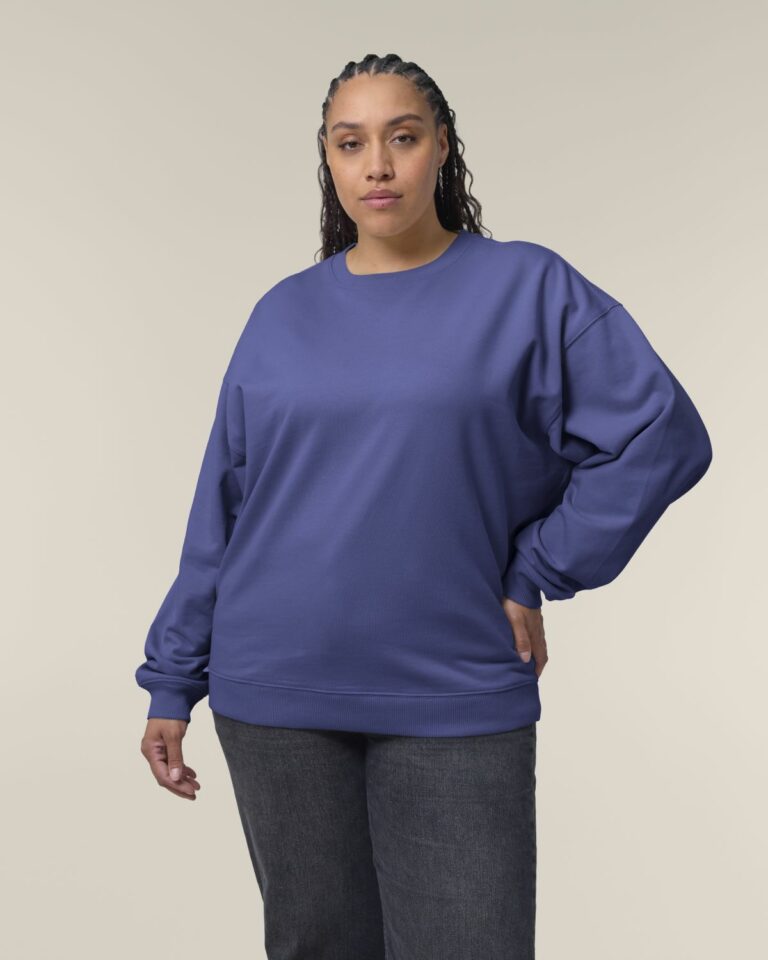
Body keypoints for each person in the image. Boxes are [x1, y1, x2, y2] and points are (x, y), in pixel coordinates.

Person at [136, 53, 712, 959]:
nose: (377, 165)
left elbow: (661, 435)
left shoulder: (529, 289)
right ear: (327, 158)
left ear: (442, 147)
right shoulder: (281, 314)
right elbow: (225, 509)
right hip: (275, 691)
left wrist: (538, 567)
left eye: (402, 138)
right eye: (350, 143)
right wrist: (173, 678)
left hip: (454, 681)